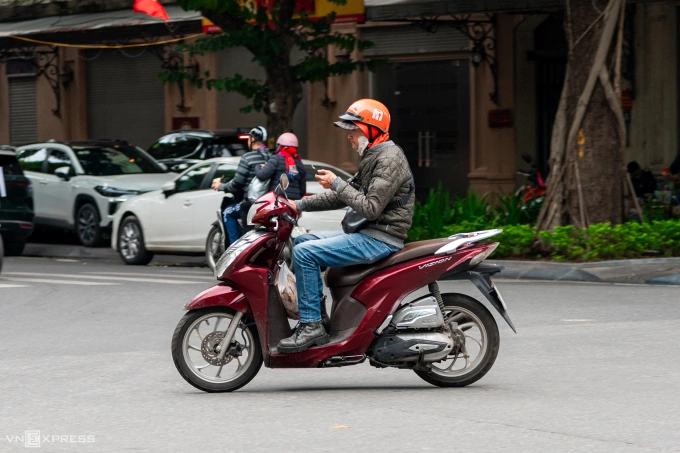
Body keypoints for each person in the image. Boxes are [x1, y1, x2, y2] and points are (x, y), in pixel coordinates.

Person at [276, 99, 415, 353]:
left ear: (372, 129)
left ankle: (310, 326)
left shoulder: (389, 160)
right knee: (303, 242)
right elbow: (343, 195)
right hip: (368, 232)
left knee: (305, 254)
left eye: (353, 130)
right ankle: (318, 319)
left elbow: (370, 207)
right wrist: (298, 205)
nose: (349, 136)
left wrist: (338, 183)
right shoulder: (375, 155)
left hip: (380, 238)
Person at [211, 126, 271, 245]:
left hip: (252, 204)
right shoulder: (273, 157)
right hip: (270, 203)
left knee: (228, 212)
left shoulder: (248, 157)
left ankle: (235, 251)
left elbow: (237, 184)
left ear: (252, 139)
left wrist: (221, 186)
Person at [255, 132, 307, 200]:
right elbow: (302, 191)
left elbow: (262, 175)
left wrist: (258, 166)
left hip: (277, 201)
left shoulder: (276, 159)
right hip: (294, 204)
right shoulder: (299, 163)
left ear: (281, 146)